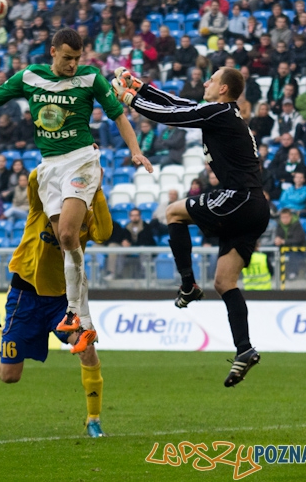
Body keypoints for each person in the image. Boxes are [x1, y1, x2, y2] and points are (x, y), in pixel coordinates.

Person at [0, 28, 152, 351]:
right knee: (65, 242)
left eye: (77, 58)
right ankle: (76, 315)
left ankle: (74, 313)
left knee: (70, 235)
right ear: (53, 51)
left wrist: (135, 149)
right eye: (67, 58)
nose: (73, 64)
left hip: (82, 160)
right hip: (50, 167)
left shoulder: (90, 79)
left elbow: (118, 116)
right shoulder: (30, 77)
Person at [113, 66, 270, 387]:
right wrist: (140, 86)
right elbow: (177, 103)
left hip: (239, 198)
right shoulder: (223, 113)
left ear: (224, 89)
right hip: (255, 207)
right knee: (225, 282)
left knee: (172, 212)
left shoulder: (220, 112)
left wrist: (128, 98)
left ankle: (188, 285)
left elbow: (171, 117)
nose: (207, 82)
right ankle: (244, 349)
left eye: (212, 79)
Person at [0, 168, 111, 437]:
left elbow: (104, 234)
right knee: (10, 376)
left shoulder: (87, 218)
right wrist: (65, 157)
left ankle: (93, 419)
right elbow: (35, 178)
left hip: (63, 301)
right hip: (26, 297)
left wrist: (98, 185)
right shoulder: (42, 206)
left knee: (87, 348)